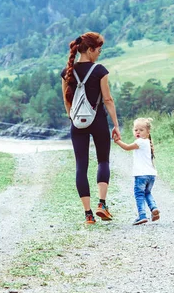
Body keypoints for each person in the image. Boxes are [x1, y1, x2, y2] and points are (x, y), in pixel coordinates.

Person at [61, 32, 121, 224]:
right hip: (98, 121)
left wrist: (73, 118)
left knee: (81, 166)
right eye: (99, 50)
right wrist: (116, 125)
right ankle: (101, 204)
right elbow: (108, 100)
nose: (99, 54)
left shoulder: (67, 71)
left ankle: (88, 215)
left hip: (76, 122)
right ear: (89, 50)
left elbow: (66, 100)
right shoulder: (99, 70)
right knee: (103, 161)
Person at [113, 117, 160, 225]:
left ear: (148, 132)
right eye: (136, 130)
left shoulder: (140, 142)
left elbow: (127, 147)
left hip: (141, 175)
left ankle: (142, 215)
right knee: (147, 192)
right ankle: (154, 208)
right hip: (151, 175)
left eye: (141, 130)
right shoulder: (148, 142)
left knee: (139, 194)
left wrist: (117, 141)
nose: (138, 132)